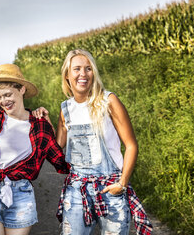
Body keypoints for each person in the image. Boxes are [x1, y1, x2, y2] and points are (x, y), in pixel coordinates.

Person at [34, 49, 153, 235]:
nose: (83, 74)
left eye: (88, 68)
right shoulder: (66, 108)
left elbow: (131, 145)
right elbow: (58, 148)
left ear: (93, 73)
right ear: (67, 75)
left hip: (110, 188)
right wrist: (45, 121)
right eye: (77, 69)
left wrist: (122, 183)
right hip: (77, 188)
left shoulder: (108, 101)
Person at [0, 63, 70, 235]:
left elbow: (60, 162)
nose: (4, 101)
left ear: (22, 90)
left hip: (21, 196)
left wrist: (51, 126)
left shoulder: (39, 126)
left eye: (8, 94)